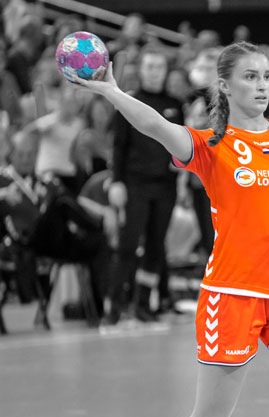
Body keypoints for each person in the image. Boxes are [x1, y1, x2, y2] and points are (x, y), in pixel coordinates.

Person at [74, 41, 269, 417]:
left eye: (266, 77)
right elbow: (156, 126)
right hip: (232, 296)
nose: (262, 86)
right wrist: (113, 92)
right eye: (250, 77)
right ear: (224, 86)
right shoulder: (212, 145)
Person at [105, 46, 184, 325]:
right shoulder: (129, 102)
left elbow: (182, 144)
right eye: (149, 67)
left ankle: (143, 304)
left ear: (166, 71)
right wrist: (117, 182)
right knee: (128, 245)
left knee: (155, 247)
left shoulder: (175, 104)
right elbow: (119, 146)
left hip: (166, 187)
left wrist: (181, 170)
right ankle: (113, 306)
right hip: (135, 184)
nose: (154, 73)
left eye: (159, 67)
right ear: (141, 69)